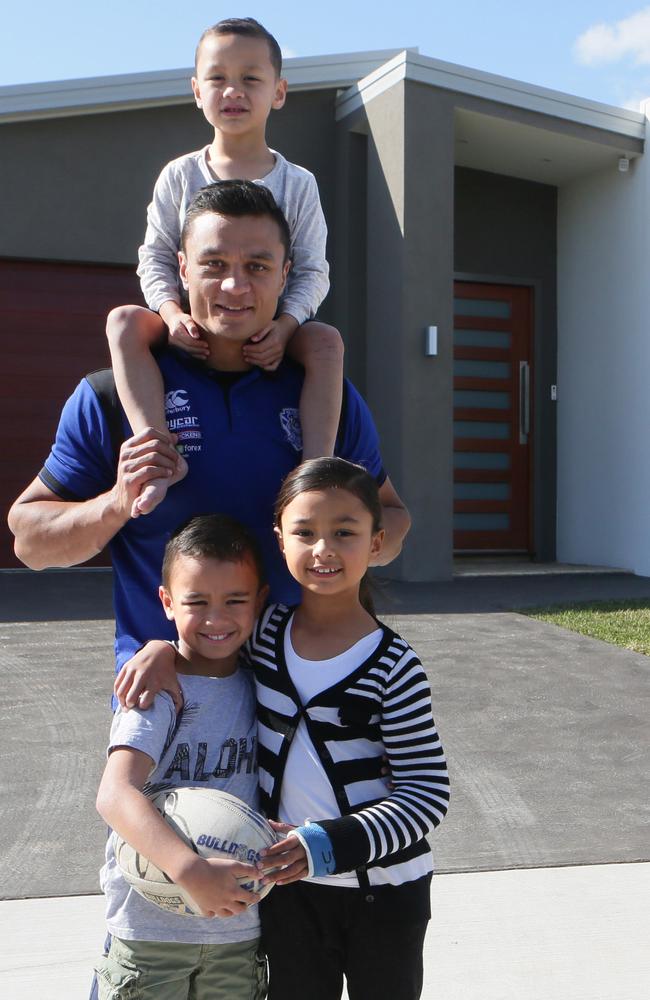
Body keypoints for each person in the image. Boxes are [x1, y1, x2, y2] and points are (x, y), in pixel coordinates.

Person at [8, 180, 411, 698]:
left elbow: (393, 521)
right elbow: (30, 541)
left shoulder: (323, 393)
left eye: (257, 267)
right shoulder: (114, 397)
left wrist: (338, 540)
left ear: (286, 275)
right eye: (214, 264)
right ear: (181, 269)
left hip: (311, 701)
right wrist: (116, 503)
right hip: (170, 700)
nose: (234, 287)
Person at [119, 458, 450, 1000]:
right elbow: (209, 638)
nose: (323, 550)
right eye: (305, 533)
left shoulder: (395, 665)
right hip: (288, 895)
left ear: (376, 543)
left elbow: (427, 794)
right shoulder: (265, 634)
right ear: (280, 540)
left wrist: (322, 844)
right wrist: (160, 649)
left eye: (345, 533)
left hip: (385, 892)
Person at [107, 16, 343, 517]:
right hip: (190, 328)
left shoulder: (298, 184)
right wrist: (172, 316)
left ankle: (316, 475)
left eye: (250, 78)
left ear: (278, 91)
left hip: (268, 331)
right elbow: (154, 257)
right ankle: (157, 457)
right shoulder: (178, 175)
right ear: (196, 90)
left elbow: (312, 270)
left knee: (325, 342)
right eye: (217, 78)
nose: (232, 90)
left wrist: (286, 325)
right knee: (123, 321)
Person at [94, 513, 271, 1000]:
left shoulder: (264, 682)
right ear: (167, 603)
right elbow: (115, 793)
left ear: (259, 601)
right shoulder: (158, 690)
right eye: (196, 602)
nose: (216, 619)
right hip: (149, 934)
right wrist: (188, 870)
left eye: (235, 600)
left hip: (238, 930)